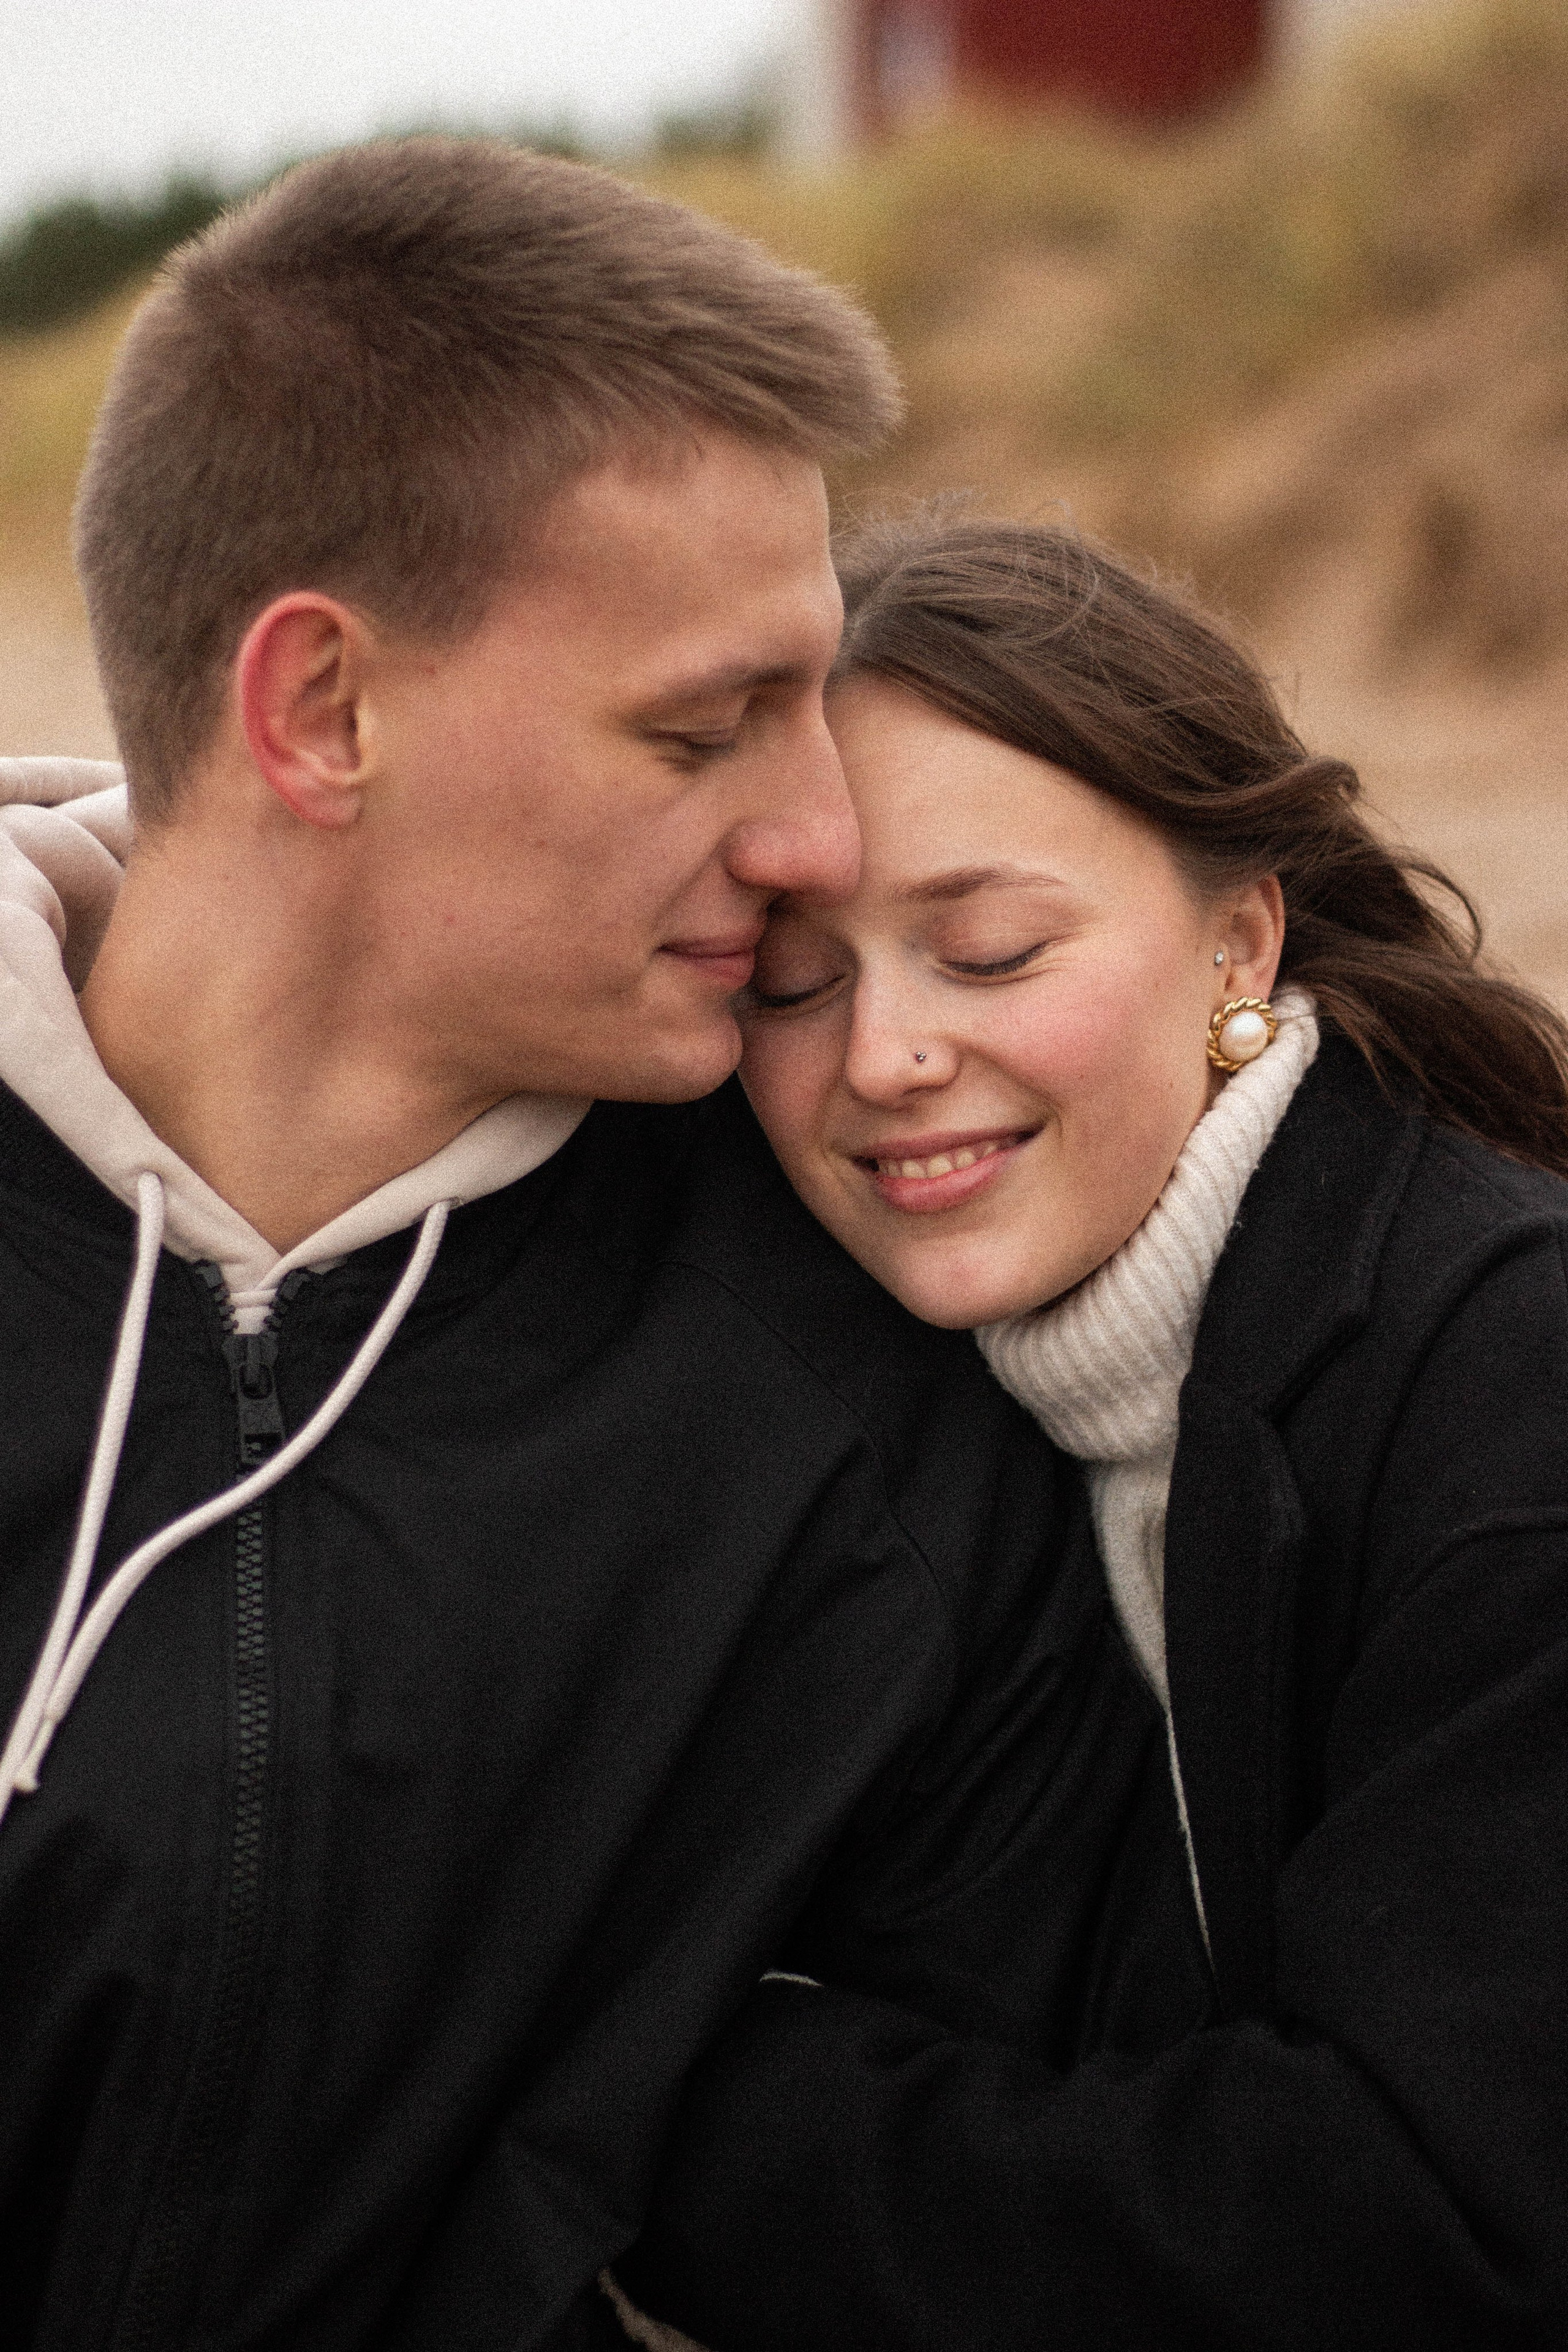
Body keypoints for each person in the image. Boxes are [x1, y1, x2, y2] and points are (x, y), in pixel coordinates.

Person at [0, 162, 1160, 2351]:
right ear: (322, 710)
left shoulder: (853, 1397)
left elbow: (1037, 2204)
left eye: (813, 706)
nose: (819, 835)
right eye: (701, 726)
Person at [615, 515, 1568, 2350]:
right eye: (795, 986)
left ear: (1240, 937)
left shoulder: (1507, 1394)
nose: (882, 1055)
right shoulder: (942, 1368)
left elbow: (1442, 2232)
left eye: (985, 950)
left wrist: (681, 2117)